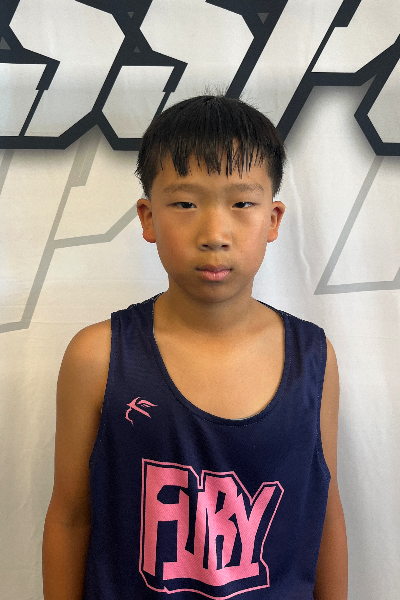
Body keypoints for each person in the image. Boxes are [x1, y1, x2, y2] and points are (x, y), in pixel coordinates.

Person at [42, 95, 348, 599]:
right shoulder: (97, 357)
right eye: (185, 203)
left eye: (241, 203)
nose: (214, 234)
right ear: (148, 218)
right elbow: (70, 517)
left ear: (273, 219)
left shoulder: (313, 358)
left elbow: (325, 511)